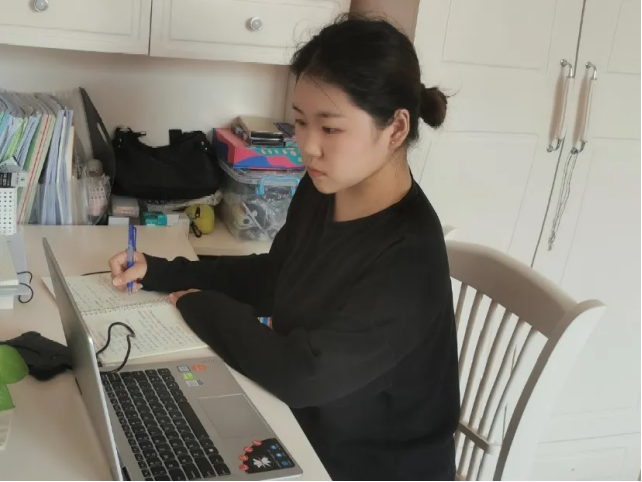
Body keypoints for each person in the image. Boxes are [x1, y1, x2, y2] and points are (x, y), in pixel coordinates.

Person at [109, 14, 460, 482]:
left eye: (330, 129)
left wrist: (201, 306)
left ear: (395, 129)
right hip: (302, 428)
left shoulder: (408, 257)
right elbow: (276, 276)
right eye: (299, 121)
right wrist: (162, 271)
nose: (306, 146)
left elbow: (304, 375)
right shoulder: (323, 188)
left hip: (368, 465)